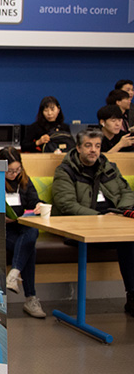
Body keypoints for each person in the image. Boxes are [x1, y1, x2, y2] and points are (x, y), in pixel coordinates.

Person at [52, 129, 134, 316]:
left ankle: (132, 296)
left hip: (114, 222)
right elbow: (67, 204)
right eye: (88, 146)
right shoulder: (65, 171)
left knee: (129, 239)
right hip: (79, 228)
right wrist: (100, 218)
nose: (93, 150)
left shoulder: (109, 166)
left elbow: (127, 192)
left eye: (97, 146)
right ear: (78, 148)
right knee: (127, 241)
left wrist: (118, 213)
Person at [0, 146, 46, 318]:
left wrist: (39, 205)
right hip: (2, 231)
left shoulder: (24, 180)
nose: (14, 174)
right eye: (9, 171)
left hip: (21, 229)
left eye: (17, 170)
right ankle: (30, 298)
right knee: (29, 247)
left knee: (32, 231)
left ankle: (14, 274)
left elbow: (34, 200)